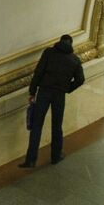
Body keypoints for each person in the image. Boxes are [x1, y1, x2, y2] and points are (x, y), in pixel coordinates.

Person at [20, 33, 85, 168]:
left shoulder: (48, 53)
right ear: (71, 44)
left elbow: (38, 72)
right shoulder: (74, 60)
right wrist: (67, 88)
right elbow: (80, 80)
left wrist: (32, 92)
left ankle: (31, 160)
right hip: (59, 95)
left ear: (59, 41)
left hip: (44, 91)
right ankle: (56, 156)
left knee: (37, 125)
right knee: (57, 125)